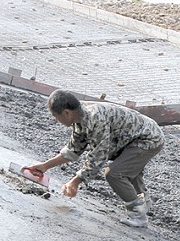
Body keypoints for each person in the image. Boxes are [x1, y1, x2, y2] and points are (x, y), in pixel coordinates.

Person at [30, 89, 164, 228]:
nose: (55, 119)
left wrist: (75, 182)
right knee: (128, 169)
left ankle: (138, 216)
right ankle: (143, 204)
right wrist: (44, 166)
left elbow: (98, 157)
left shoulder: (95, 119)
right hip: (134, 137)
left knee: (115, 173)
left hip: (148, 138)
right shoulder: (79, 117)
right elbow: (73, 150)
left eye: (55, 116)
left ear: (66, 113)